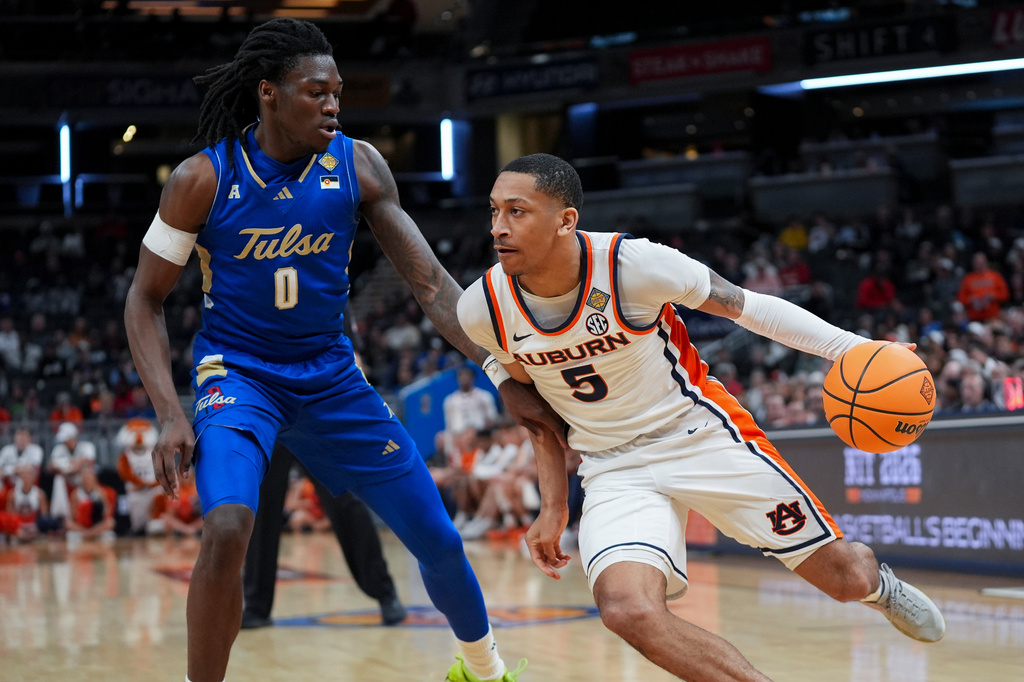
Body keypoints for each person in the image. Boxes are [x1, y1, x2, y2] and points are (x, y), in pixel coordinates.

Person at [123, 18, 557, 682]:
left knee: (437, 539)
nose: (332, 104)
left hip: (331, 378)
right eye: (315, 91)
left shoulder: (357, 165)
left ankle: (484, 669)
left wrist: (498, 369)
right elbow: (143, 301)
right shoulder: (201, 180)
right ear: (268, 93)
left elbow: (433, 287)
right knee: (230, 524)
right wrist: (169, 413)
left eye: (338, 92)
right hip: (239, 378)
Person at [457, 153, 946, 682]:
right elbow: (536, 415)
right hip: (611, 466)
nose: (498, 228)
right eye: (493, 212)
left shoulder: (635, 266)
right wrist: (553, 506)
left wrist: (856, 349)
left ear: (566, 220)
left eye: (516, 211)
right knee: (626, 609)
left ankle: (879, 586)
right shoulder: (483, 308)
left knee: (845, 578)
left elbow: (750, 307)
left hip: (701, 434)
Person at [241, 442, 408, 630]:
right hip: (271, 418)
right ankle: (256, 606)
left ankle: (385, 592)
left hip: (311, 416)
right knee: (262, 505)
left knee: (344, 498)